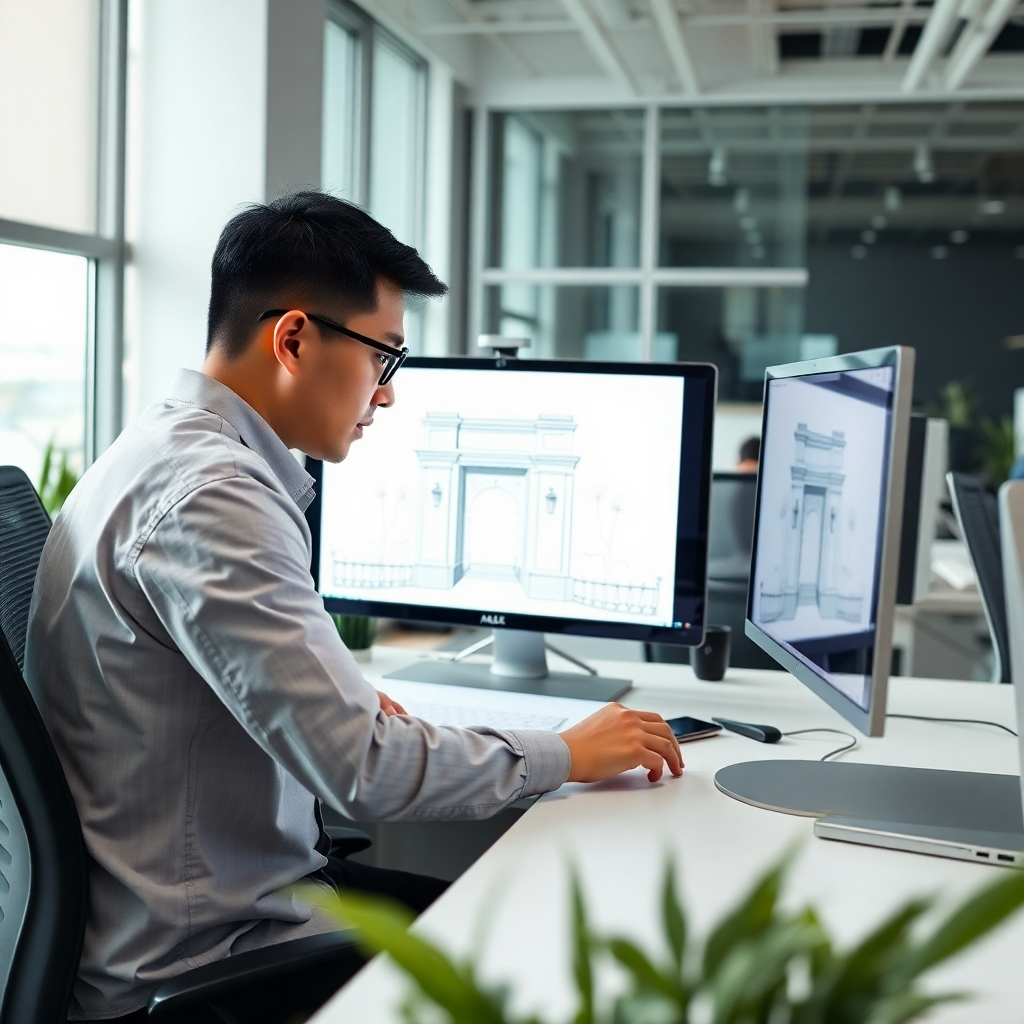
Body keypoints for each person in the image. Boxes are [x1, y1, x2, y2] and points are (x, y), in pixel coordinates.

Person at [25, 192, 683, 1022]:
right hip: (209, 961)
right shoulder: (214, 497)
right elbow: (362, 769)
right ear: (294, 339)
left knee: (504, 903)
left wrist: (338, 700)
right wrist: (566, 752)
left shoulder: (164, 449)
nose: (389, 393)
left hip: (207, 910)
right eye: (385, 357)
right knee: (542, 944)